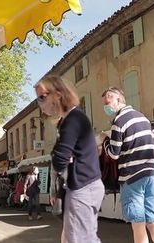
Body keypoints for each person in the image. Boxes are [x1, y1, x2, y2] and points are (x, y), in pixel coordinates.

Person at [34, 75, 104, 243]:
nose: (40, 104)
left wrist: (60, 155)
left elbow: (59, 160)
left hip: (82, 189)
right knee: (78, 238)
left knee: (80, 240)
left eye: (42, 97)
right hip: (87, 187)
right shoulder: (72, 119)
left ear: (58, 94)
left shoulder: (71, 120)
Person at [101, 87, 154, 243]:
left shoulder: (119, 121)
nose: (106, 107)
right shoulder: (143, 118)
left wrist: (105, 141)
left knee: (138, 223)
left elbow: (113, 154)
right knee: (153, 221)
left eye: (107, 102)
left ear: (117, 99)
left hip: (132, 177)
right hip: (152, 175)